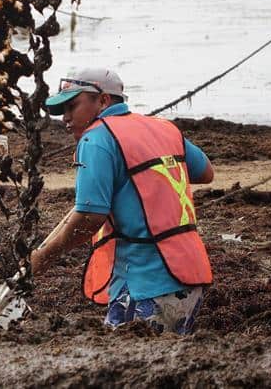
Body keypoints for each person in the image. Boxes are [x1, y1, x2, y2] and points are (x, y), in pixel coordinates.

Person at [30, 68, 215, 335]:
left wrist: (43, 258)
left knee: (128, 360)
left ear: (103, 100)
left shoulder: (96, 139)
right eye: (62, 111)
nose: (66, 118)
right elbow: (204, 172)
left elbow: (89, 218)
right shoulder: (163, 128)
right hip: (190, 274)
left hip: (148, 281)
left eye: (73, 106)